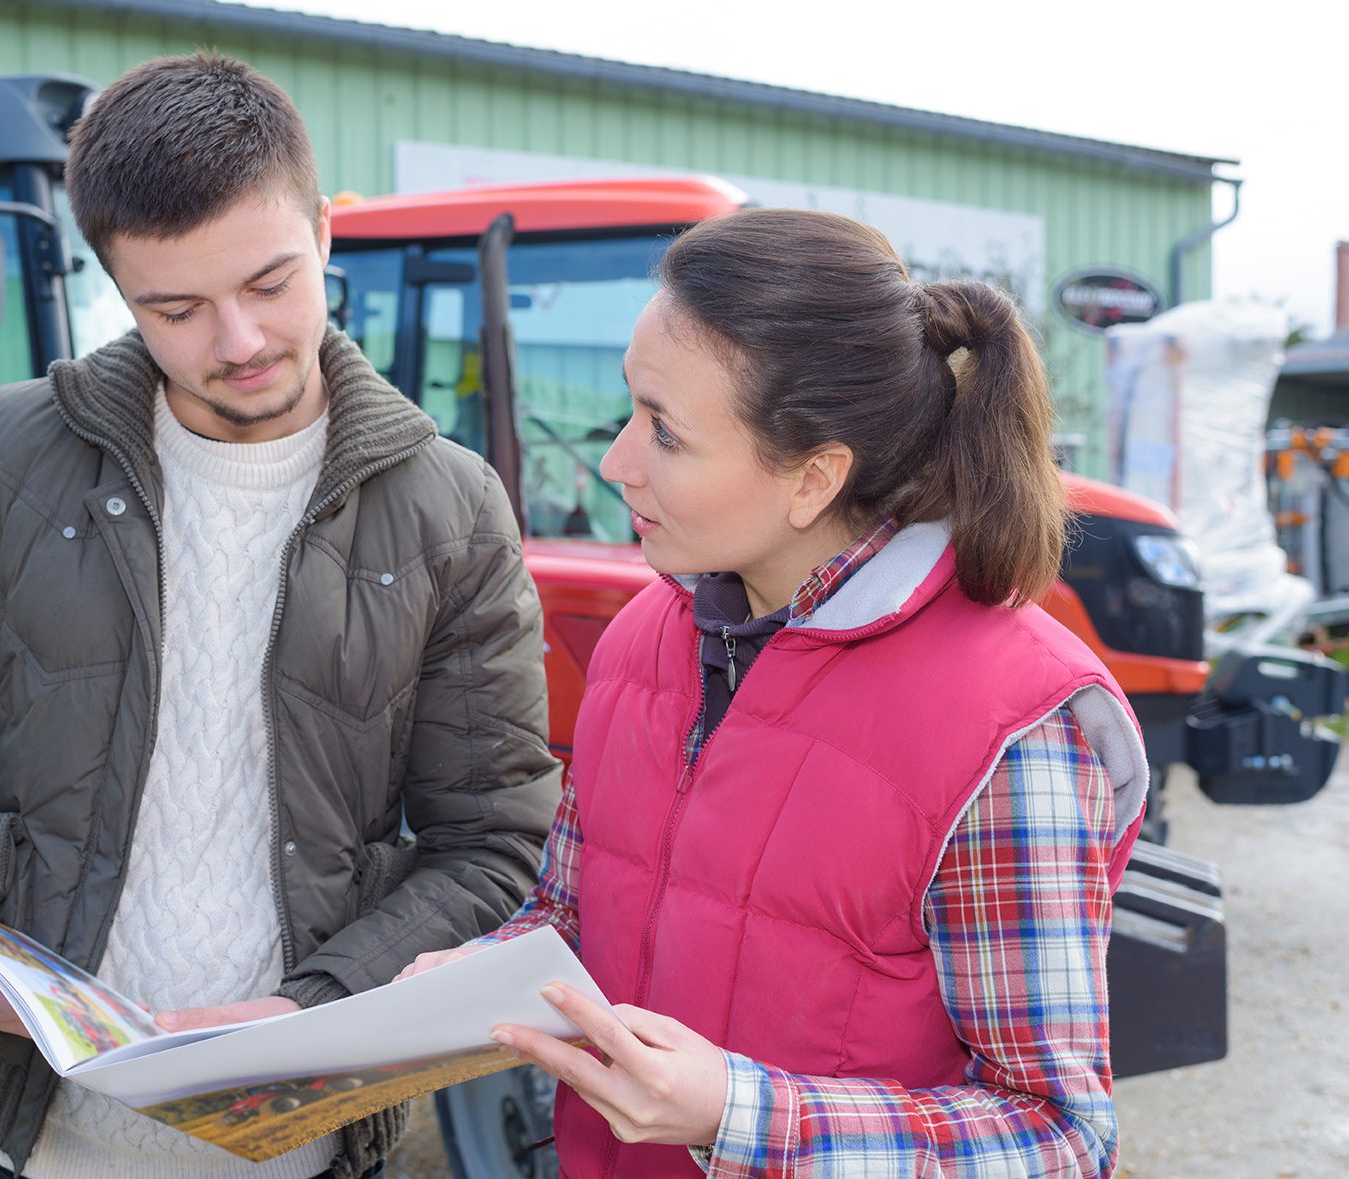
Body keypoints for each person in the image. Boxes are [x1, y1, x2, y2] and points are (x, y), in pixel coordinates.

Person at [0, 52, 559, 1179]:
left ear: (321, 230)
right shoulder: (5, 457)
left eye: (269, 284)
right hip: (34, 1133)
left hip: (296, 1141)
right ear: (117, 289)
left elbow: (489, 843)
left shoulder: (451, 507)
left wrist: (316, 1011)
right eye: (176, 308)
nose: (240, 342)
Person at [400, 207, 1149, 1176]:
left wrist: (736, 1114)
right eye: (629, 407)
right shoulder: (641, 641)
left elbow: (1057, 1136)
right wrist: (482, 970)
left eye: (663, 433)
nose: (614, 461)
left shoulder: (1012, 733)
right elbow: (573, 909)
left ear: (812, 478)